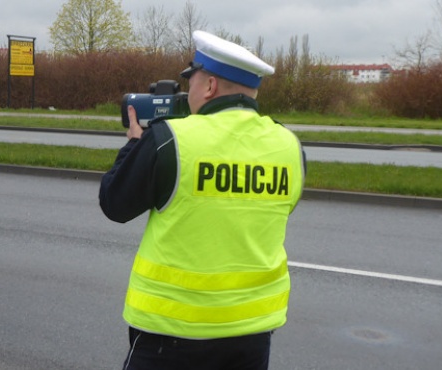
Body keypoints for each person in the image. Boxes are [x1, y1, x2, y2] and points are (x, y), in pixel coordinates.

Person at [99, 30, 306, 370]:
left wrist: (135, 143)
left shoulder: (172, 139)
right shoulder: (289, 146)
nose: (186, 90)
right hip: (251, 336)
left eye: (191, 81)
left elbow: (115, 204)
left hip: (171, 335)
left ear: (209, 86)